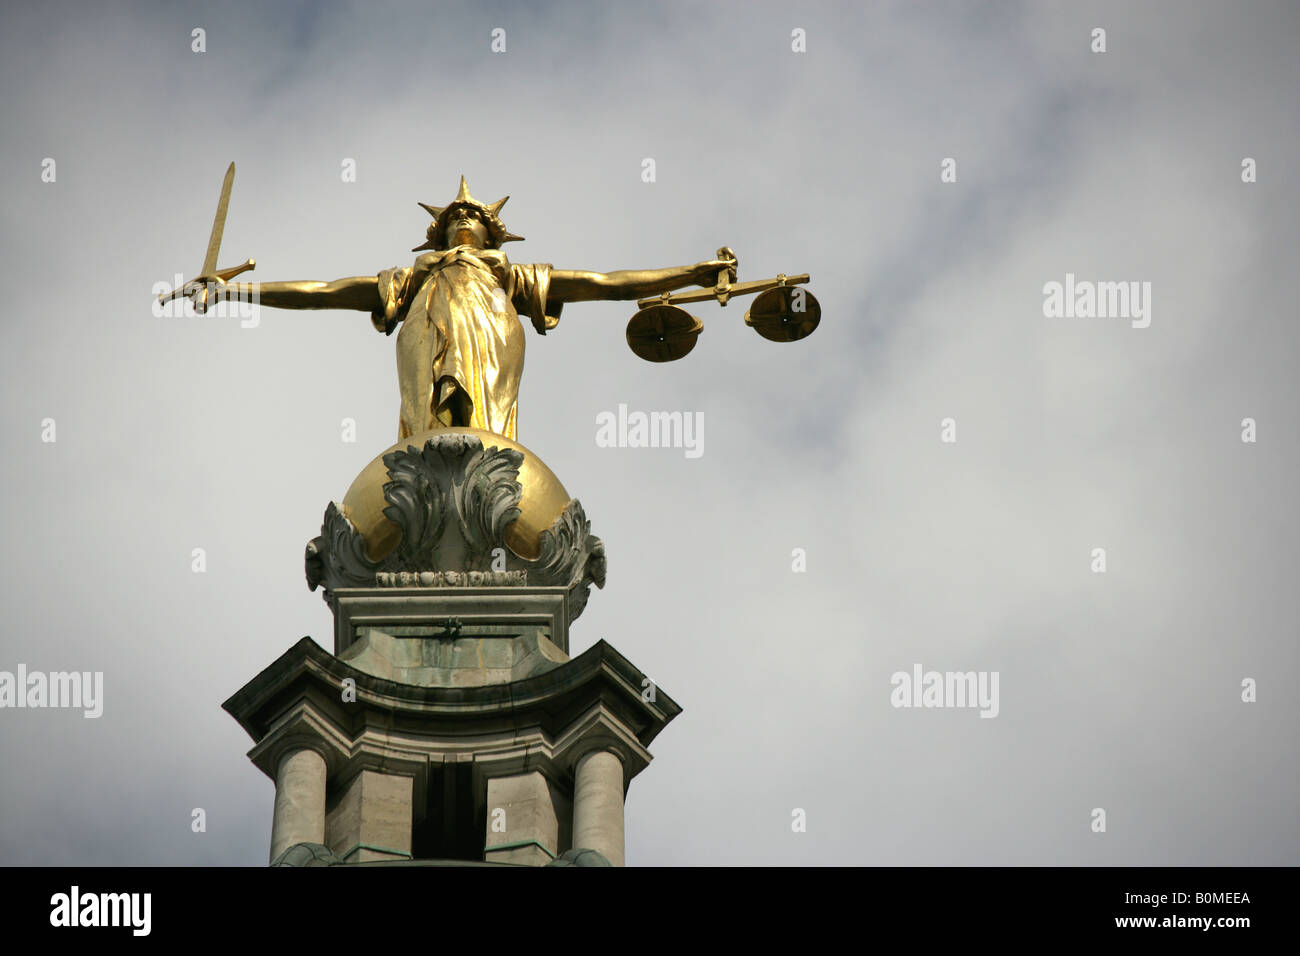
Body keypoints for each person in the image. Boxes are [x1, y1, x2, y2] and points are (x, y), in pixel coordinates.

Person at [196, 177, 736, 441]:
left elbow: (603, 282)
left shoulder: (505, 274)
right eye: (453, 217)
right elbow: (328, 291)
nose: (461, 221)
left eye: (470, 218)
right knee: (426, 420)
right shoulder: (414, 277)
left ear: (491, 235)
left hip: (493, 330)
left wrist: (691, 272)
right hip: (424, 329)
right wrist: (239, 291)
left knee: (488, 432)